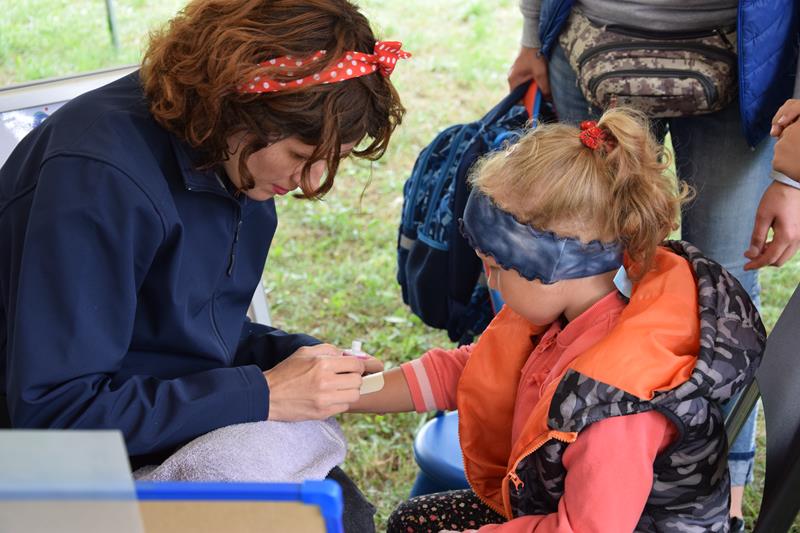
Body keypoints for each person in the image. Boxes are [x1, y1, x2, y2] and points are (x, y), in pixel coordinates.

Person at [0, 0, 406, 529]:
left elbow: (175, 326)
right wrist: (264, 393)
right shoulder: (98, 179)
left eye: (333, 159)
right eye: (303, 154)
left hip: (139, 416)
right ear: (242, 105)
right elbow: (56, 416)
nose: (311, 182)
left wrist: (291, 355)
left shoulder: (227, 155)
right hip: (52, 464)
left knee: (337, 509)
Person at [349, 108, 766, 532]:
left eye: (495, 266)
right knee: (412, 521)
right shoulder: (569, 312)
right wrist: (350, 394)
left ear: (553, 267)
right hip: (554, 510)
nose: (489, 280)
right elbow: (472, 370)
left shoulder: (618, 403)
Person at [507, 2, 799, 528]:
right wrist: (533, 36)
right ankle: (563, 453)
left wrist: (796, 173)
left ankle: (720, 491)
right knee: (578, 273)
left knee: (726, 292)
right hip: (588, 45)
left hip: (740, 58)